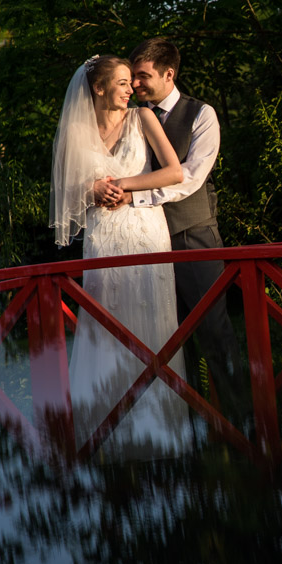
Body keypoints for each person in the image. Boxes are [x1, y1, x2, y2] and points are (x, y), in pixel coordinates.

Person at [49, 54, 191, 457]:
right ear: (99, 88)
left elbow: (175, 172)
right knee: (105, 320)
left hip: (145, 231)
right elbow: (65, 191)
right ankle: (104, 427)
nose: (133, 88)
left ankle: (160, 428)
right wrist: (92, 191)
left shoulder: (143, 118)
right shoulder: (75, 129)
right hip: (103, 236)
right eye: (124, 82)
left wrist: (124, 185)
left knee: (152, 320)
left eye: (132, 82)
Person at [103, 37, 250, 417]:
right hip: (146, 241)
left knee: (214, 332)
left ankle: (240, 419)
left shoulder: (202, 114)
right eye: (132, 77)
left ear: (169, 74)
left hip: (193, 237)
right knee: (165, 338)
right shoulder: (132, 117)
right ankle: (187, 422)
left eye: (143, 76)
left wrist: (133, 198)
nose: (135, 85)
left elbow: (190, 177)